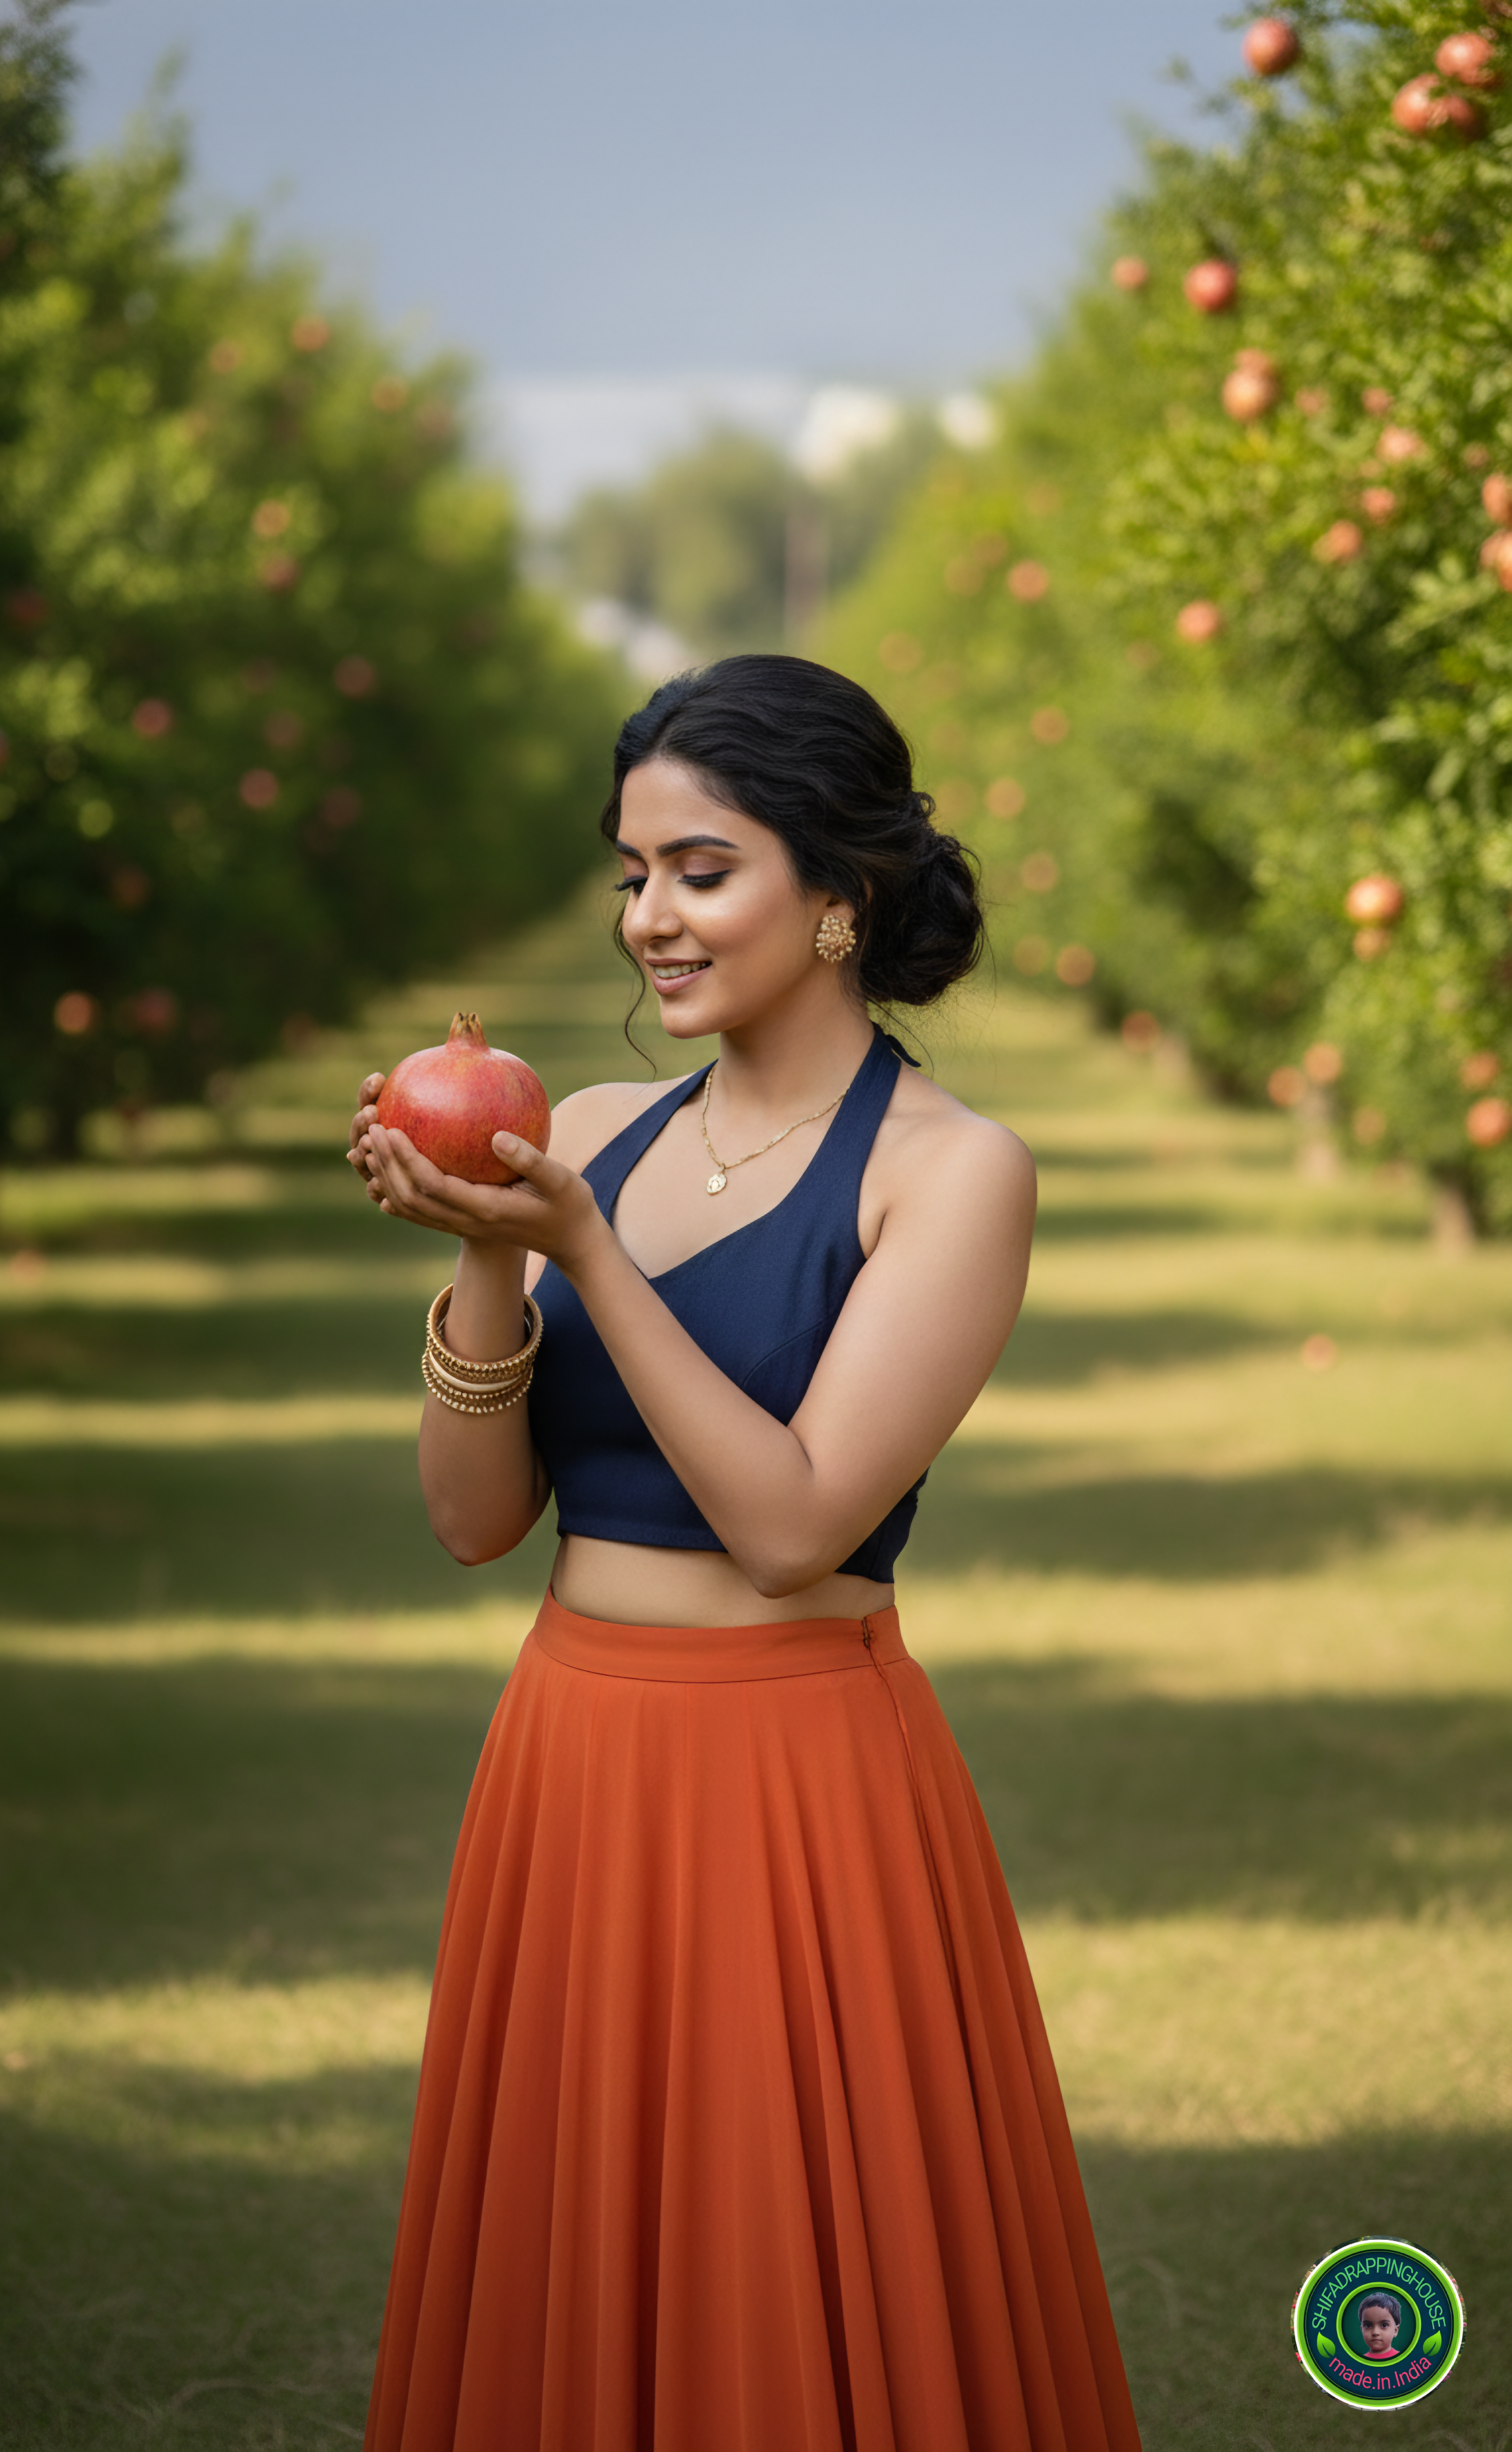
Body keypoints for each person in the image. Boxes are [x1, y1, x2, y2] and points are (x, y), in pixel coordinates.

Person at [350, 654, 1141, 2452]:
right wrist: (491, 1246)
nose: (652, 919)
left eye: (702, 871)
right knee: (581, 2273)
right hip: (571, 1751)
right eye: (632, 875)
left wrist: (587, 1255)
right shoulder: (593, 1137)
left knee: (800, 2280)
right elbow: (477, 1525)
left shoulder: (949, 1172)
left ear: (841, 896)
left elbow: (795, 1526)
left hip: (804, 1773)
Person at [1357, 2293, 1404, 2362]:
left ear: (1395, 2330)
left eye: (1384, 2325)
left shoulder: (1404, 2361)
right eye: (1368, 2325)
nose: (1375, 2332)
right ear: (1362, 2330)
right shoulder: (1357, 2363)